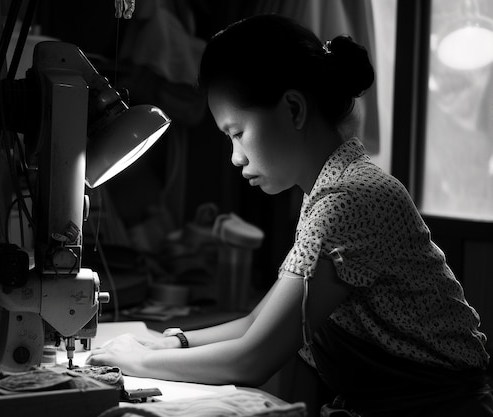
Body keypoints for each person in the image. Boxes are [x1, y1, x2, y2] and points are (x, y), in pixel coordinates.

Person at [86, 14, 493, 416]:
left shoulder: (348, 198)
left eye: (238, 132)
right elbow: (258, 322)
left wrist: (133, 361)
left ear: (293, 109)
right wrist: (172, 343)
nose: (235, 157)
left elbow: (255, 357)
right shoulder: (328, 190)